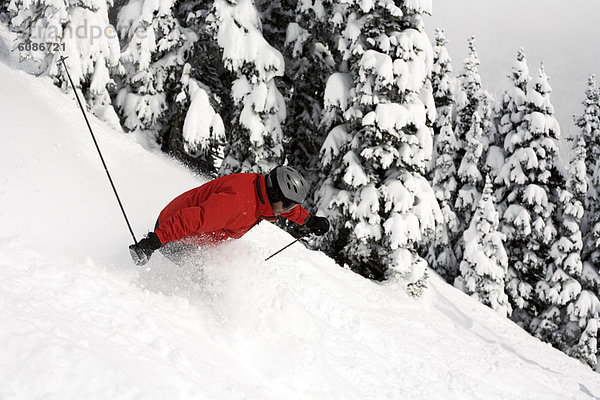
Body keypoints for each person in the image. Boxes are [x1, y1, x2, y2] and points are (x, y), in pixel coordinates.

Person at [129, 165, 330, 266]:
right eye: (287, 204)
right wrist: (154, 241)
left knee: (215, 274)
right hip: (174, 237)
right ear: (275, 194)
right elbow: (194, 219)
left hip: (195, 234)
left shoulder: (262, 193)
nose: (287, 210)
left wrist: (310, 221)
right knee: (206, 282)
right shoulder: (236, 202)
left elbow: (288, 208)